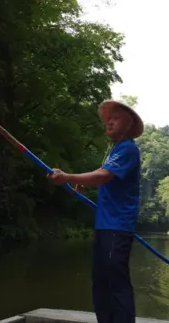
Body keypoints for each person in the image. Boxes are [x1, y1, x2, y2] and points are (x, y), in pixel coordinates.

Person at [47, 99, 144, 323]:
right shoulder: (115, 150)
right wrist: (80, 181)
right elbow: (100, 171)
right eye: (108, 118)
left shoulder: (129, 149)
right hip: (105, 226)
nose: (109, 121)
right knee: (100, 281)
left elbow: (103, 177)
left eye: (116, 118)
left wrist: (67, 178)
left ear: (129, 125)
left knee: (115, 281)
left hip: (117, 227)